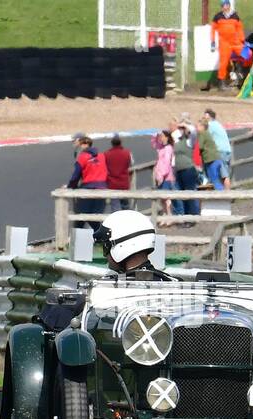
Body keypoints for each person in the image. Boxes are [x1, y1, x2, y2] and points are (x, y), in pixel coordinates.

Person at [38, 210, 174, 331]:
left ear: (121, 246)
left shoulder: (101, 290)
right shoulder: (173, 285)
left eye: (106, 246)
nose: (105, 254)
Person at [207, 1, 245, 92]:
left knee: (247, 54)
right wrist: (212, 42)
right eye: (223, 5)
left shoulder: (235, 16)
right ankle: (221, 83)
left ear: (229, 5)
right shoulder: (217, 17)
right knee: (223, 62)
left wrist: (242, 40)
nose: (224, 7)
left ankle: (243, 76)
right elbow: (212, 30)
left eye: (226, 5)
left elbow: (239, 29)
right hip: (224, 42)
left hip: (235, 41)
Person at [67, 135, 109, 217]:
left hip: (89, 187)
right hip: (102, 187)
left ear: (84, 145)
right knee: (97, 217)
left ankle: (81, 230)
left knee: (82, 217)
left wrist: (71, 186)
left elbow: (76, 175)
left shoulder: (82, 157)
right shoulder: (102, 155)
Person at [170, 124, 200, 217]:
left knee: (189, 194)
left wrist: (185, 125)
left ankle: (193, 215)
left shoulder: (189, 141)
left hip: (188, 169)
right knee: (182, 195)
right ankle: (186, 216)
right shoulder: (177, 141)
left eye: (183, 129)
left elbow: (194, 132)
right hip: (179, 171)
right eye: (180, 129)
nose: (181, 130)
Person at [202, 109, 233, 190]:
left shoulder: (210, 125)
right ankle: (226, 194)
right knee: (224, 174)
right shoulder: (218, 124)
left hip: (220, 151)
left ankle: (227, 195)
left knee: (224, 175)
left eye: (206, 117)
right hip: (226, 150)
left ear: (210, 118)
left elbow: (204, 136)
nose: (204, 119)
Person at [103, 135, 133, 211]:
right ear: (120, 143)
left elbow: (104, 166)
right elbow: (131, 163)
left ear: (112, 143)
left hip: (112, 183)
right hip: (124, 183)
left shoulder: (106, 154)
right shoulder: (127, 153)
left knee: (115, 206)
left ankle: (116, 222)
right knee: (125, 205)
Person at [153, 131, 176, 216]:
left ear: (167, 137)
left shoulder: (168, 148)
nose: (161, 138)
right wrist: (156, 136)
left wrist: (162, 175)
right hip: (160, 175)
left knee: (166, 197)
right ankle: (165, 214)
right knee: (162, 198)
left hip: (166, 176)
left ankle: (169, 215)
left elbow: (166, 162)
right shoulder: (162, 147)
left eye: (162, 136)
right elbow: (155, 144)